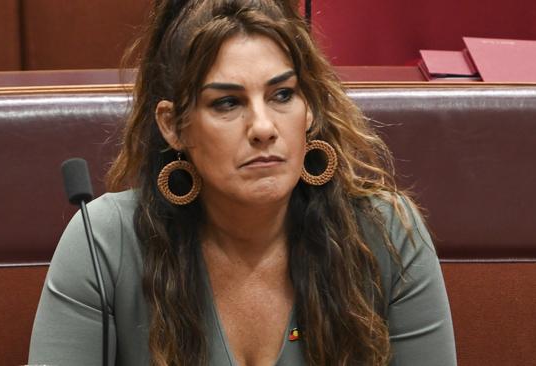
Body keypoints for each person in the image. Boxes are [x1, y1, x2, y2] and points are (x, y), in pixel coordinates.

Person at [28, 0, 457, 365]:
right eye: (228, 102)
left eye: (282, 95)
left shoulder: (386, 233)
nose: (264, 127)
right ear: (174, 126)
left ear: (310, 110)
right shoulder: (104, 242)